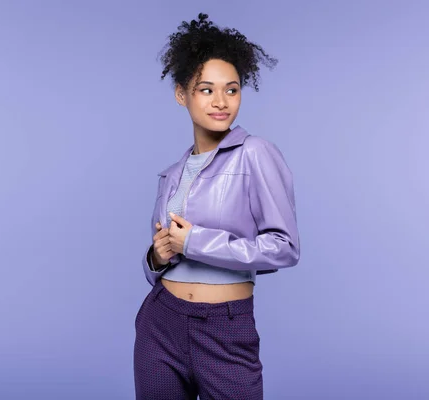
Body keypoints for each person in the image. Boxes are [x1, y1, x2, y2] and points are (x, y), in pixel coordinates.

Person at [133, 13, 300, 400]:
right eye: (206, 89)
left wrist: (194, 242)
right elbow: (157, 259)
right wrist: (156, 257)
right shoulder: (172, 173)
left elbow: (284, 248)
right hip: (161, 322)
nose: (221, 101)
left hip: (225, 328)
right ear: (182, 94)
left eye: (232, 89)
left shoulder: (255, 153)